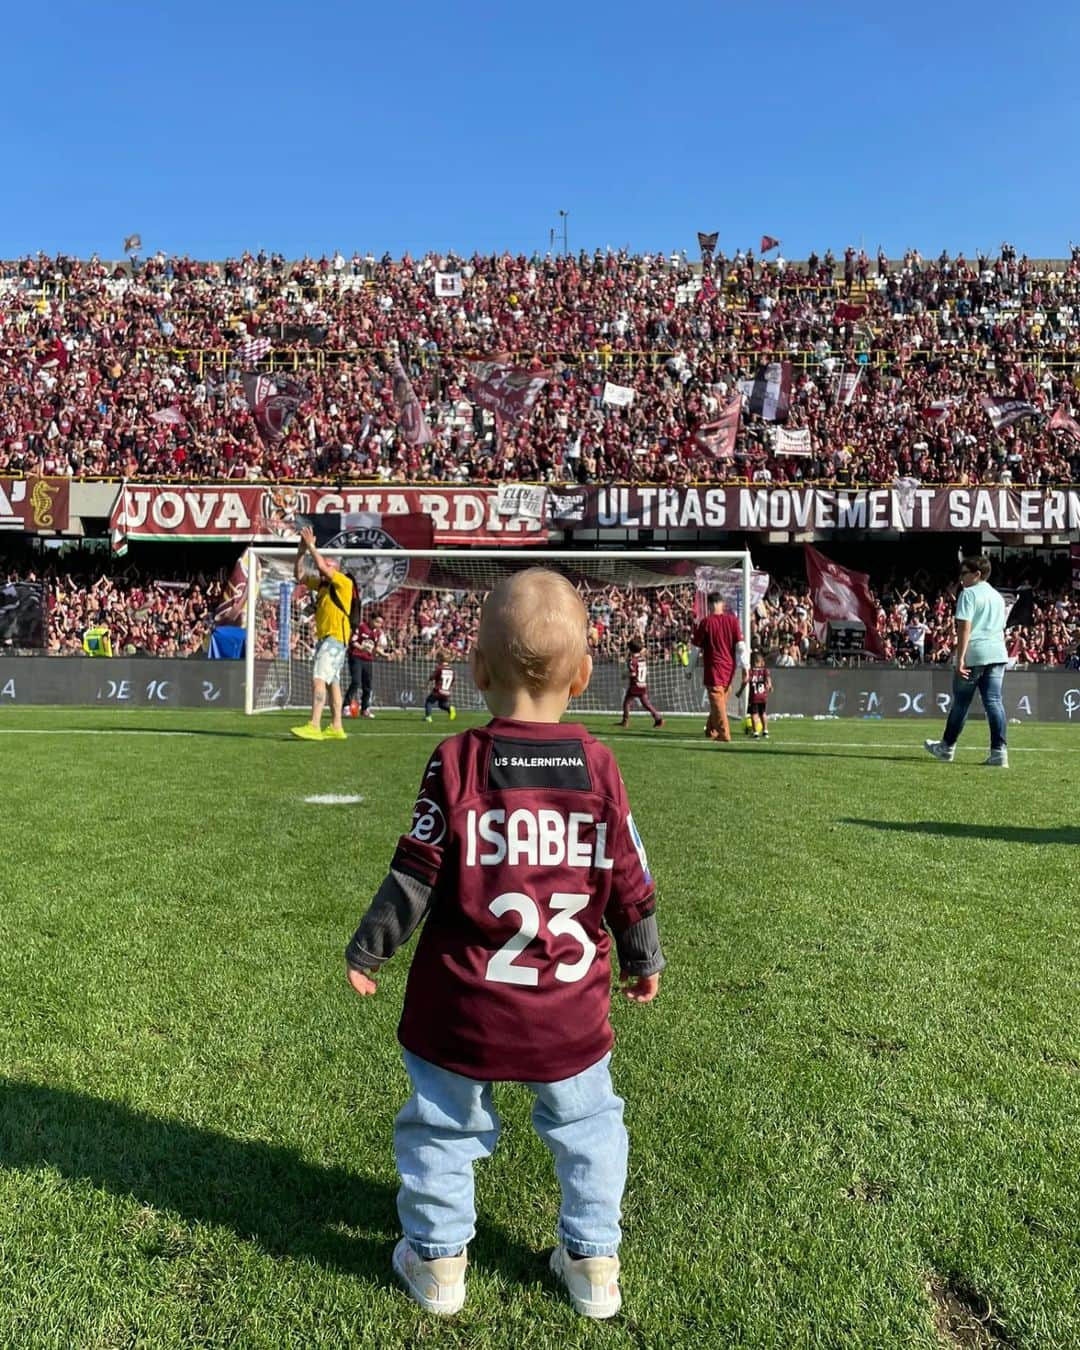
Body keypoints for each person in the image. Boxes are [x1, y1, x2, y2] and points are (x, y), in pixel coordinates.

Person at [344, 568, 664, 1320]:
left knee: (443, 1126)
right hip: (569, 1009)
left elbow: (416, 870)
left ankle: (438, 1259)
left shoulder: (457, 760)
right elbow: (628, 872)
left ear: (477, 671)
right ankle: (593, 1261)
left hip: (463, 1006)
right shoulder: (599, 765)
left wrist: (371, 949)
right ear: (586, 676)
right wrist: (643, 954)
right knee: (589, 1128)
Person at [924, 555, 1009, 767]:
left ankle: (946, 747)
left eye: (964, 573)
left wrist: (960, 658)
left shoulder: (969, 594)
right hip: (997, 652)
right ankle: (999, 752)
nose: (960, 578)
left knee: (962, 703)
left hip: (976, 653)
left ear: (977, 574)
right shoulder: (998, 596)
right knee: (994, 702)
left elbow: (965, 628)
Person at [291, 527, 353, 741]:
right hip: (331, 639)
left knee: (318, 679)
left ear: (335, 568)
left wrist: (311, 545)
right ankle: (336, 726)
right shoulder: (323, 587)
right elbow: (298, 575)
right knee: (332, 682)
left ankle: (314, 725)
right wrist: (301, 552)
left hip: (334, 638)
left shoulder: (344, 583)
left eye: (327, 566)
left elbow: (319, 564)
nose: (320, 571)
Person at [691, 591, 745, 742]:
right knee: (719, 703)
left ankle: (724, 734)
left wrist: (689, 669)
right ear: (722, 604)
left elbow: (696, 648)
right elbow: (741, 646)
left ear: (709, 605)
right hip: (729, 670)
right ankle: (711, 730)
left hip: (713, 669)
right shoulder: (733, 621)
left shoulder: (706, 622)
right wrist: (746, 666)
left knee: (718, 703)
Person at [344, 613, 385, 719]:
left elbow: (374, 649)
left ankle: (365, 709)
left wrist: (386, 655)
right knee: (356, 681)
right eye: (377, 622)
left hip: (368, 660)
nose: (379, 624)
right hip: (356, 657)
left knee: (368, 685)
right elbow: (352, 642)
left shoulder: (377, 633)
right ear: (371, 619)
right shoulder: (361, 627)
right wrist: (362, 648)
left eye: (381, 623)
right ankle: (346, 706)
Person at [617, 638, 664, 729]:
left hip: (635, 685)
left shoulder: (632, 661)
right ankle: (658, 718)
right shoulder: (643, 659)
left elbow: (633, 673)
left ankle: (625, 721)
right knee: (646, 704)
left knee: (626, 703)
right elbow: (645, 672)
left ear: (630, 649)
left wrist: (625, 675)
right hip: (643, 685)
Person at [737, 650, 772, 739]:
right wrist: (770, 686)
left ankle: (755, 732)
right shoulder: (764, 671)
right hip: (763, 697)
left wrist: (740, 691)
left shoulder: (751, 671)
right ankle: (765, 731)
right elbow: (768, 678)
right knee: (763, 713)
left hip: (754, 697)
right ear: (761, 662)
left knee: (754, 714)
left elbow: (745, 681)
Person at [423, 654, 457, 722]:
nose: (437, 660)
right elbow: (453, 681)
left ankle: (428, 717)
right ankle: (450, 708)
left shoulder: (439, 668)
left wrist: (425, 685)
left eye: (438, 659)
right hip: (446, 691)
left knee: (429, 702)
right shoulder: (451, 670)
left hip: (438, 690)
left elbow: (431, 677)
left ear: (441, 659)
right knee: (442, 705)